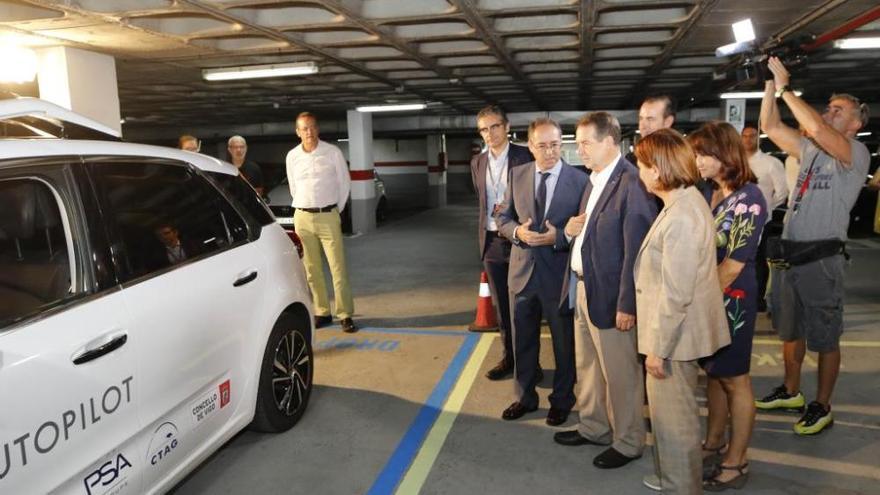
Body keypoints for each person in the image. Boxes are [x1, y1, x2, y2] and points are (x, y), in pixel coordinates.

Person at [756, 57, 871, 435]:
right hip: (791, 255)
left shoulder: (854, 154)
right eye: (830, 107)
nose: (830, 112)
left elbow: (817, 128)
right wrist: (772, 86)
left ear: (856, 124)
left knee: (824, 336)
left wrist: (789, 87)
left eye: (840, 111)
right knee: (790, 331)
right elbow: (770, 126)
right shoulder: (811, 151)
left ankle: (822, 404)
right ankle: (791, 391)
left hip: (822, 259)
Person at [552, 112, 657, 470]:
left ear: (611, 141)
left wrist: (628, 304)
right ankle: (594, 426)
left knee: (621, 374)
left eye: (586, 143)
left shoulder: (632, 183)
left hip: (613, 298)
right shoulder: (593, 179)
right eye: (577, 143)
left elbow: (636, 252)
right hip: (583, 289)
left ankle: (628, 441)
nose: (578, 150)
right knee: (589, 367)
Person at [633, 129, 730, 494]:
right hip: (678, 333)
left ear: (658, 170)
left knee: (676, 422)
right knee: (671, 418)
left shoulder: (682, 216)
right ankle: (673, 477)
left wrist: (658, 348)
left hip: (675, 338)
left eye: (643, 165)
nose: (640, 172)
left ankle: (682, 486)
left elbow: (677, 294)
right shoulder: (682, 203)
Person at [689, 122, 767, 491]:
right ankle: (714, 443)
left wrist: (701, 305)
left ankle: (737, 461)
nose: (697, 160)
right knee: (716, 374)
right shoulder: (710, 192)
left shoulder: (750, 197)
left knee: (735, 380)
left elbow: (734, 263)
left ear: (725, 155)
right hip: (710, 295)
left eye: (703, 154)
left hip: (732, 297)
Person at [497, 117, 588, 426]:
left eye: (555, 145)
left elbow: (584, 228)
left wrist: (558, 236)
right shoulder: (517, 174)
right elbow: (503, 218)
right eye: (543, 146)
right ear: (530, 146)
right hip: (522, 274)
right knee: (523, 340)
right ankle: (524, 397)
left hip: (559, 276)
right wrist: (517, 234)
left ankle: (562, 400)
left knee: (564, 344)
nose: (550, 152)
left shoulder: (579, 181)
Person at [470, 105, 535, 381]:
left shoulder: (525, 156)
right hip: (492, 243)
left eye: (495, 126)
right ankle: (509, 358)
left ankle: (530, 364)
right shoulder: (478, 162)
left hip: (521, 239)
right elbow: (483, 201)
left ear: (507, 127)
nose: (490, 134)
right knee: (502, 308)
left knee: (526, 305)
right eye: (484, 129)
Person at [286, 112, 357, 333]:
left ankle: (345, 314)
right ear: (298, 132)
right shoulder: (292, 156)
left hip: (328, 216)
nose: (309, 132)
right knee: (311, 269)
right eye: (304, 128)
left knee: (338, 267)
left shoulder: (332, 152)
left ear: (318, 129)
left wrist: (335, 210)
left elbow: (344, 183)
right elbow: (293, 186)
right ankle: (322, 312)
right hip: (303, 217)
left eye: (312, 127)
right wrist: (304, 206)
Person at [741, 124, 788, 312]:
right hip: (737, 219)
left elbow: (782, 192)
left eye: (752, 136)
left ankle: (758, 299)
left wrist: (767, 208)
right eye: (744, 136)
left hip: (762, 220)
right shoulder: (734, 161)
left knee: (759, 260)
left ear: (759, 138)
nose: (748, 139)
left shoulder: (770, 163)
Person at [626, 95, 676, 165]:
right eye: (641, 119)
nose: (643, 126)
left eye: (650, 119)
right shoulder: (632, 160)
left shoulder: (681, 158)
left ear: (667, 122)